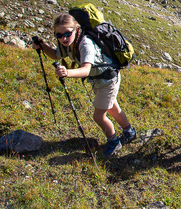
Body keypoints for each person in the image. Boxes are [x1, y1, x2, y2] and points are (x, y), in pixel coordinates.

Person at [32, 13, 136, 157]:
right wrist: (42, 45)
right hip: (101, 79)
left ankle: (113, 141)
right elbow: (56, 55)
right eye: (59, 35)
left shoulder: (85, 44)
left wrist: (67, 72)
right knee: (112, 107)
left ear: (76, 29)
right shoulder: (69, 43)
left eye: (68, 33)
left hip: (108, 80)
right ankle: (129, 131)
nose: (64, 38)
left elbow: (86, 70)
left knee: (99, 116)